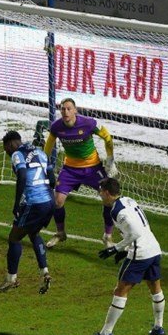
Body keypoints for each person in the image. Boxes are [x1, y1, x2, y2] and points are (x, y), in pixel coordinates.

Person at [87, 178, 166, 335]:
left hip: (140, 254)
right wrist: (124, 250)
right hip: (154, 248)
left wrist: (116, 248)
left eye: (101, 192)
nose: (100, 195)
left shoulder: (118, 212)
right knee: (155, 287)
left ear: (107, 193)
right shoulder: (128, 200)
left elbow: (135, 233)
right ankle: (158, 327)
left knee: (120, 291)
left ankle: (105, 334)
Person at [43, 98, 118, 248]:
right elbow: (48, 145)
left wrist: (110, 159)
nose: (65, 112)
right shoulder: (56, 127)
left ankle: (108, 236)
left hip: (92, 168)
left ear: (75, 110)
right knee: (57, 201)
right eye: (63, 109)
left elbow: (107, 137)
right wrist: (43, 162)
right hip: (70, 169)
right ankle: (60, 233)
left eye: (69, 109)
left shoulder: (88, 123)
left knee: (109, 199)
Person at [0, 130, 54, 294]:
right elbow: (52, 179)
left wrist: (17, 203)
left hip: (34, 202)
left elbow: (22, 175)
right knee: (34, 233)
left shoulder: (17, 154)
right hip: (50, 202)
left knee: (14, 238)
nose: (7, 153)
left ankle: (11, 279)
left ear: (10, 144)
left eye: (6, 149)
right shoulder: (40, 152)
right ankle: (45, 272)